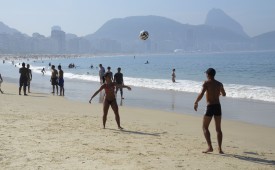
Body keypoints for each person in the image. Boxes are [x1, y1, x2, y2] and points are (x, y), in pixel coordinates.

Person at [194, 68, 226, 154]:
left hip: (210, 107)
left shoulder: (206, 83)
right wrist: (218, 93)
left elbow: (201, 93)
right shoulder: (219, 84)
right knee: (218, 129)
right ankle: (220, 149)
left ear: (208, 74)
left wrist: (196, 102)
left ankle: (210, 147)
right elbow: (224, 94)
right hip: (218, 107)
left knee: (205, 127)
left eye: (206, 74)